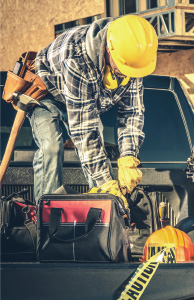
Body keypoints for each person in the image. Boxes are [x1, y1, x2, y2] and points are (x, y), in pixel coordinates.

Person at [28, 15, 158, 209]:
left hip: (84, 96)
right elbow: (84, 129)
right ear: (108, 47)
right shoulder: (77, 59)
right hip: (49, 92)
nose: (127, 74)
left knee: (98, 149)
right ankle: (47, 216)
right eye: (123, 69)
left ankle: (102, 215)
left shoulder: (132, 58)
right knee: (52, 147)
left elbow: (132, 113)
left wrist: (129, 156)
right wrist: (106, 182)